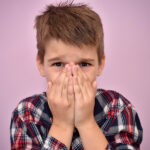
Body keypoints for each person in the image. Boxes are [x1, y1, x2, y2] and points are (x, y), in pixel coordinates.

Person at [10, 2, 143, 150]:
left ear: (100, 64)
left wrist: (86, 122)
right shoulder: (27, 112)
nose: (72, 76)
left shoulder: (118, 108)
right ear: (41, 64)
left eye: (84, 64)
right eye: (58, 64)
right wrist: (62, 125)